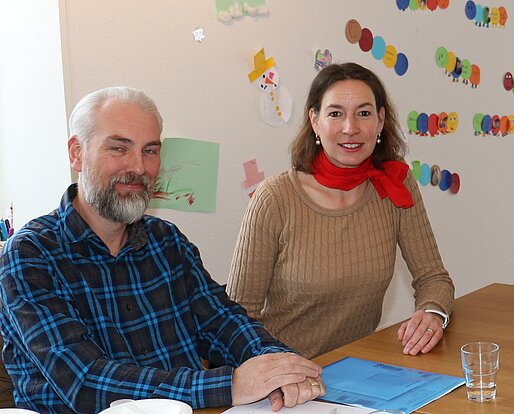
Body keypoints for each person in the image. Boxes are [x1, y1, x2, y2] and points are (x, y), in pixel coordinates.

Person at [0, 87, 325, 413]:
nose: (138, 167)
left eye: (150, 151)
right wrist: (231, 385)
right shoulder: (29, 256)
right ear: (76, 153)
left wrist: (280, 364)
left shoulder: (165, 241)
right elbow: (84, 382)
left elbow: (222, 322)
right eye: (118, 148)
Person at [227, 62, 455, 359]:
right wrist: (277, 372)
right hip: (283, 379)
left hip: (359, 371)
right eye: (335, 114)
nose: (351, 128)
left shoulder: (396, 184)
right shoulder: (275, 198)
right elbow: (235, 320)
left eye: (364, 113)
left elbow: (434, 278)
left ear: (381, 120)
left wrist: (433, 312)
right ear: (314, 120)